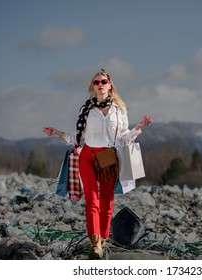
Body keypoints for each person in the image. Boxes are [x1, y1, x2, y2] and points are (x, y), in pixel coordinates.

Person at [42, 69, 152, 259]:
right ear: (93, 87)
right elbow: (78, 138)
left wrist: (139, 127)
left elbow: (124, 139)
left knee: (107, 201)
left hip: (108, 157)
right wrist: (58, 133)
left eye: (103, 81)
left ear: (110, 85)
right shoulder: (86, 109)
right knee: (92, 199)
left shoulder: (119, 111)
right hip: (87, 156)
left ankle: (104, 239)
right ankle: (95, 246)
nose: (100, 85)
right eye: (96, 82)